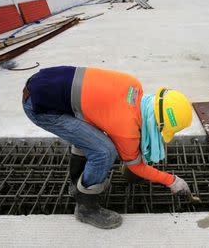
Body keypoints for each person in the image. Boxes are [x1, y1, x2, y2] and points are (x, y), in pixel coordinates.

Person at [22, 66, 193, 229]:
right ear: (156, 122)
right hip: (40, 107)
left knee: (91, 138)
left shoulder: (133, 85)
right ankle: (86, 209)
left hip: (44, 82)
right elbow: (135, 166)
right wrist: (172, 181)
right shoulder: (127, 129)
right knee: (103, 151)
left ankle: (77, 187)